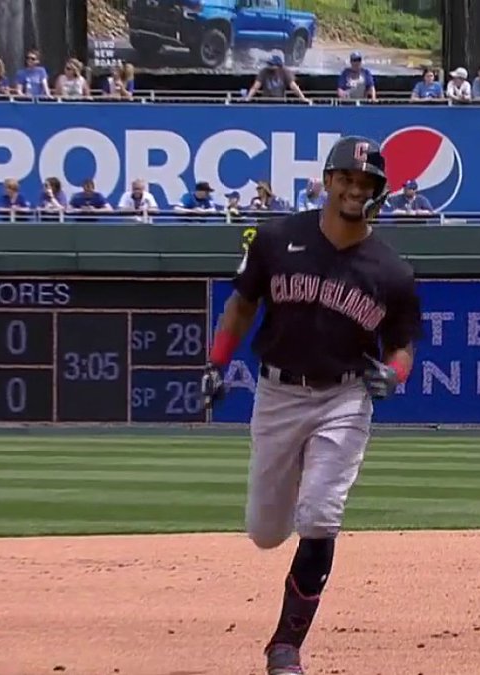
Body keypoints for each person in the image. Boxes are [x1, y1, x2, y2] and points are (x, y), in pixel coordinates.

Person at [200, 136, 422, 675]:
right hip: (277, 395)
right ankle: (294, 486)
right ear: (327, 181)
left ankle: (285, 646)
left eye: (365, 182)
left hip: (344, 396)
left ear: (378, 193)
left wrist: (392, 376)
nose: (354, 188)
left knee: (321, 514)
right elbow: (241, 304)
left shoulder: (391, 271)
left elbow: (401, 350)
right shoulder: (278, 239)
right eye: (346, 178)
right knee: (265, 531)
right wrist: (217, 362)